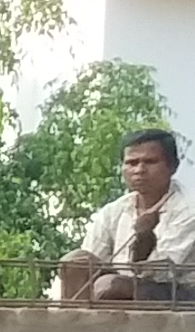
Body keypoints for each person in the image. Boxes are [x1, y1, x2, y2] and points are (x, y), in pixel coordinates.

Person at [62, 128, 191, 302]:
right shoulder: (113, 211)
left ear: (173, 166)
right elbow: (91, 258)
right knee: (74, 261)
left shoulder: (188, 211)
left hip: (180, 294)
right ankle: (72, 322)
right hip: (121, 283)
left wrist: (144, 238)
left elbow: (160, 274)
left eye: (150, 162)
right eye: (132, 163)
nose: (139, 169)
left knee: (109, 285)